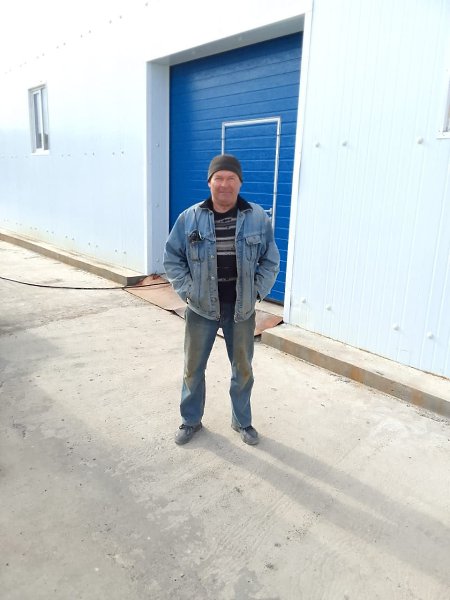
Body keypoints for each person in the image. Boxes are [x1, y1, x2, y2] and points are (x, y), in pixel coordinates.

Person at [163, 154, 280, 446]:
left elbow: (270, 260)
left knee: (243, 370)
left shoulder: (257, 218)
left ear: (240, 182)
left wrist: (256, 292)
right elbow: (173, 258)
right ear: (209, 182)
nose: (224, 184)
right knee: (193, 369)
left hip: (241, 310)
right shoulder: (189, 218)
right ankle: (190, 421)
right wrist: (187, 290)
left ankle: (242, 421)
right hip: (201, 308)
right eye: (219, 178)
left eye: (231, 178)